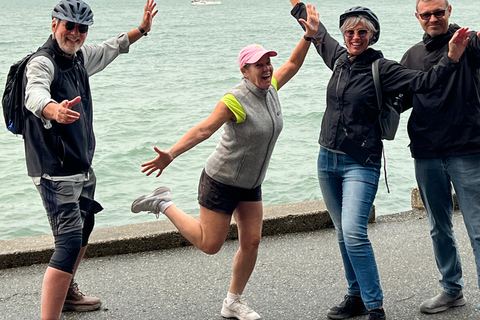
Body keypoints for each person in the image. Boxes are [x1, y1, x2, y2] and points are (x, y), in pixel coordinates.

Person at [130, 5, 320, 320]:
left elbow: (293, 63)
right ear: (244, 71)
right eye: (258, 65)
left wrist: (308, 37)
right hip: (221, 180)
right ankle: (163, 203)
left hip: (250, 184)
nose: (266, 68)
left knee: (253, 241)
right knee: (210, 244)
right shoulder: (234, 100)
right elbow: (203, 129)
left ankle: (233, 301)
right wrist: (171, 154)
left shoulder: (271, 89)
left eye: (267, 62)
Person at [289, 1, 470, 320]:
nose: (355, 37)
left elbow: (425, 83)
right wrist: (299, 8)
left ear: (373, 36)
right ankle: (355, 296)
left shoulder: (383, 67)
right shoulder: (339, 59)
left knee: (354, 232)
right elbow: (319, 32)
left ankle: (375, 306)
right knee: (343, 234)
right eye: (350, 31)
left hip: (362, 160)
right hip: (326, 160)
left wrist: (452, 59)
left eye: (362, 32)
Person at [23, 0, 158, 319]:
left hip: (81, 165)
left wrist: (141, 30)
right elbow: (34, 93)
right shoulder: (41, 62)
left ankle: (67, 292)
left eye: (81, 28)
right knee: (69, 242)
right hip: (54, 171)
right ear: (53, 24)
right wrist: (52, 109)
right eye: (68, 25)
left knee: (85, 227)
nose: (75, 33)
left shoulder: (79, 57)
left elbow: (112, 47)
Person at [400, 0, 480, 315]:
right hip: (426, 151)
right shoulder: (412, 56)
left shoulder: (469, 40)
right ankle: (451, 289)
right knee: (439, 226)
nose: (433, 18)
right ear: (417, 17)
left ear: (449, 11)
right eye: (426, 14)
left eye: (438, 12)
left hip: (467, 149)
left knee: (478, 227)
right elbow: (400, 98)